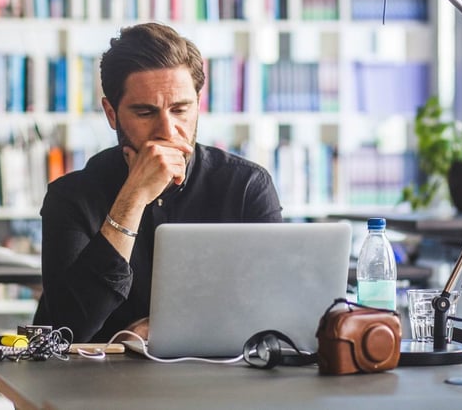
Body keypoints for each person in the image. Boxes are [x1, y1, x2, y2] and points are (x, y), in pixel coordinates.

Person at [34, 23, 283, 343]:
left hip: (216, 379)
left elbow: (275, 312)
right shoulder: (70, 198)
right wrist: (133, 197)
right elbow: (67, 330)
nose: (167, 130)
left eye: (181, 109)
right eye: (145, 112)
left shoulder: (247, 186)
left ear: (198, 104)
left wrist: (173, 327)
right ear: (111, 114)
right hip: (97, 384)